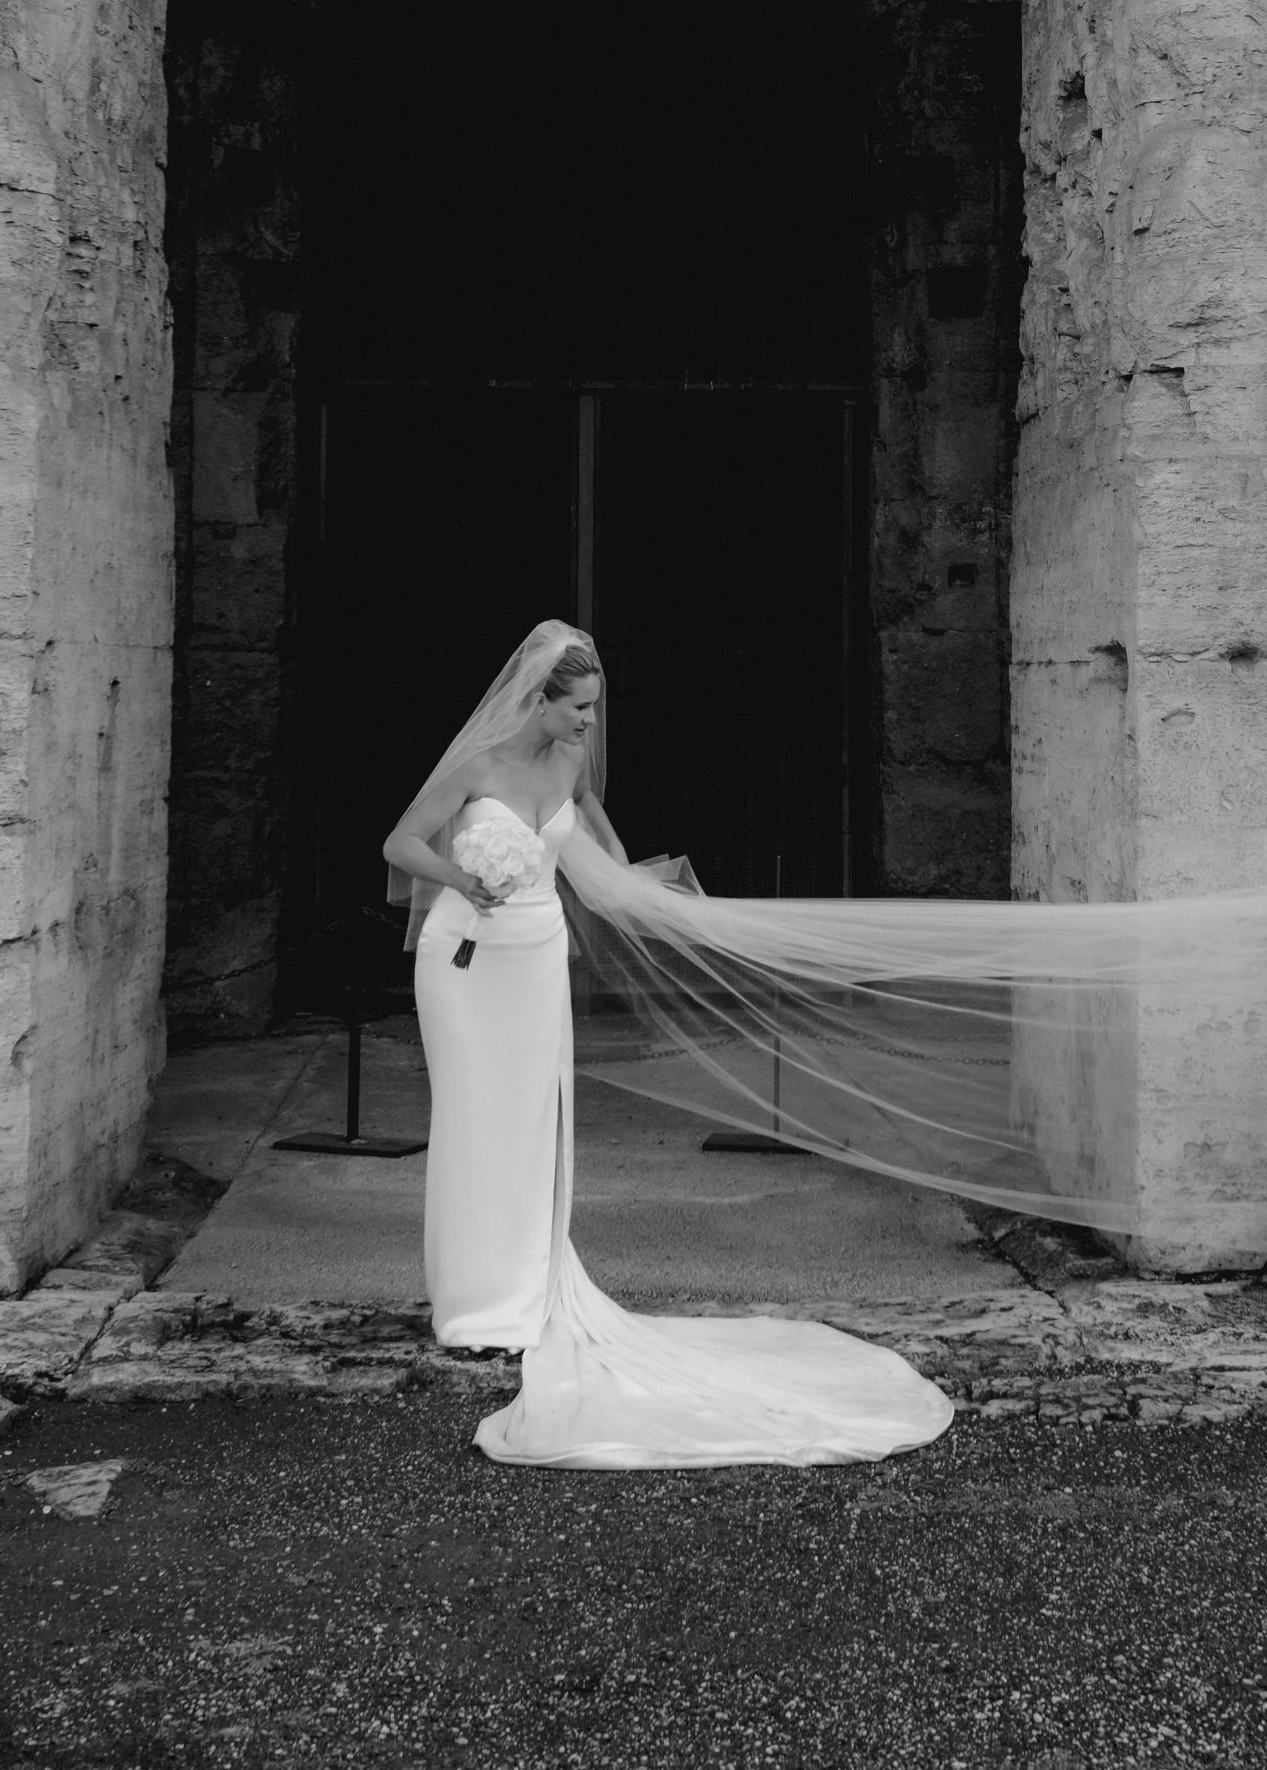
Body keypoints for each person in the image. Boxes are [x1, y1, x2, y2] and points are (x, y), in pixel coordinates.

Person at [383, 622, 953, 1470]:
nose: (588, 724)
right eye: (578, 709)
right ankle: (472, 1304)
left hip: (537, 957)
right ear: (538, 700)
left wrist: (662, 902)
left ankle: (527, 1290)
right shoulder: (477, 767)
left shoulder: (571, 767)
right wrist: (462, 877)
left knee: (533, 1119)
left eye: (594, 709)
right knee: (472, 1114)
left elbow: (601, 856)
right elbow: (398, 845)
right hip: (463, 957)